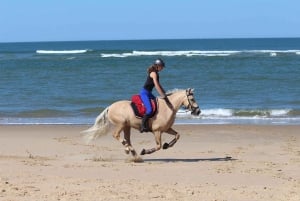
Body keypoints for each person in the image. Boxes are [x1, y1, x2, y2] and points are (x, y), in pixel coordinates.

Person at [140, 58, 171, 132]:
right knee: (150, 110)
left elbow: (159, 85)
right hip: (144, 93)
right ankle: (142, 126)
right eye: (162, 66)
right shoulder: (153, 73)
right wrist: (162, 95)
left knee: (158, 106)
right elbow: (156, 85)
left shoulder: (156, 73)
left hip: (149, 93)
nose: (162, 68)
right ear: (157, 66)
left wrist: (165, 93)